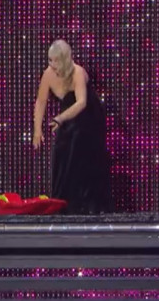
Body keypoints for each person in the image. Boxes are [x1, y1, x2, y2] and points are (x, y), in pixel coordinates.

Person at [32, 39, 111, 214]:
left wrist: (60, 118)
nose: (53, 65)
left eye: (57, 61)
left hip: (89, 117)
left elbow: (81, 103)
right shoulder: (48, 74)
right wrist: (37, 130)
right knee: (62, 149)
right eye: (50, 60)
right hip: (67, 117)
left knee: (78, 147)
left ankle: (86, 205)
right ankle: (63, 204)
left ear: (65, 60)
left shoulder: (78, 73)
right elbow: (41, 101)